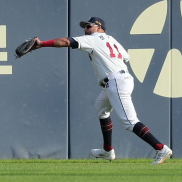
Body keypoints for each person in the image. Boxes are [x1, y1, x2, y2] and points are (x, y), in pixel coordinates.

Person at [28, 17, 173, 164]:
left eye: (88, 26)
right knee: (101, 109)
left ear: (99, 27)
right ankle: (108, 150)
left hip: (115, 81)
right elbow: (125, 57)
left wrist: (42, 44)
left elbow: (66, 42)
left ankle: (160, 148)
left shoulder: (93, 39)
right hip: (119, 79)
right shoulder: (112, 40)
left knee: (130, 121)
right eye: (84, 27)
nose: (85, 29)